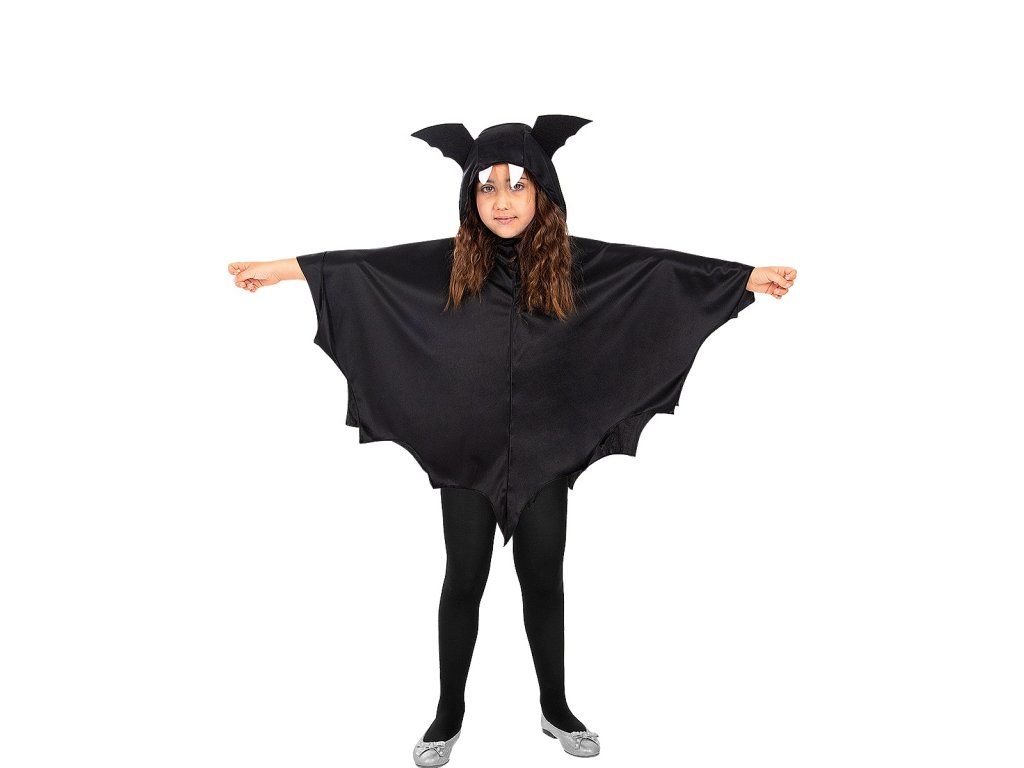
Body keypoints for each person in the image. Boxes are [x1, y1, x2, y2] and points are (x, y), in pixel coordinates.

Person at [228, 116, 796, 765]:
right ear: (470, 193)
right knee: (464, 577)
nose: (502, 202)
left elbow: (658, 272)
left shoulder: (578, 264)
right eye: (488, 187)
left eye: (517, 186)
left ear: (542, 191)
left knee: (543, 578)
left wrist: (746, 278)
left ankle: (555, 708)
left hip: (546, 446)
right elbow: (360, 269)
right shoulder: (447, 264)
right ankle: (448, 713)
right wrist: (277, 272)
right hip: (465, 447)